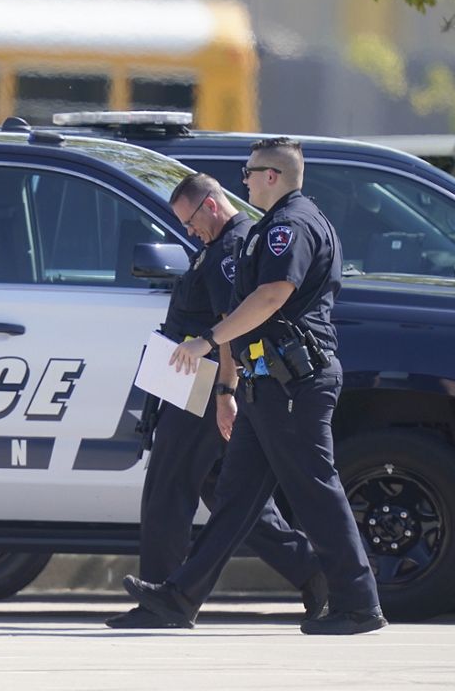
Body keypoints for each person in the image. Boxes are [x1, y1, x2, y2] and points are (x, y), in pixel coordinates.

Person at [123, 137, 387, 635]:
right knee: (234, 500)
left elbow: (271, 295)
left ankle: (358, 602)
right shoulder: (274, 226)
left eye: (248, 172)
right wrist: (231, 389)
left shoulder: (292, 225)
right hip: (267, 384)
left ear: (272, 175)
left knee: (315, 489)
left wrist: (208, 342)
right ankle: (178, 598)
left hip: (294, 383)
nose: (243, 180)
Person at [107, 172, 327, 629]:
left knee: (168, 488)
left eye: (189, 221)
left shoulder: (230, 248)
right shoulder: (219, 244)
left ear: (210, 204)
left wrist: (226, 392)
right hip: (193, 381)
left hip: (204, 384)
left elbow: (231, 327)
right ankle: (315, 571)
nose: (188, 231)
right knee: (225, 492)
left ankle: (161, 601)